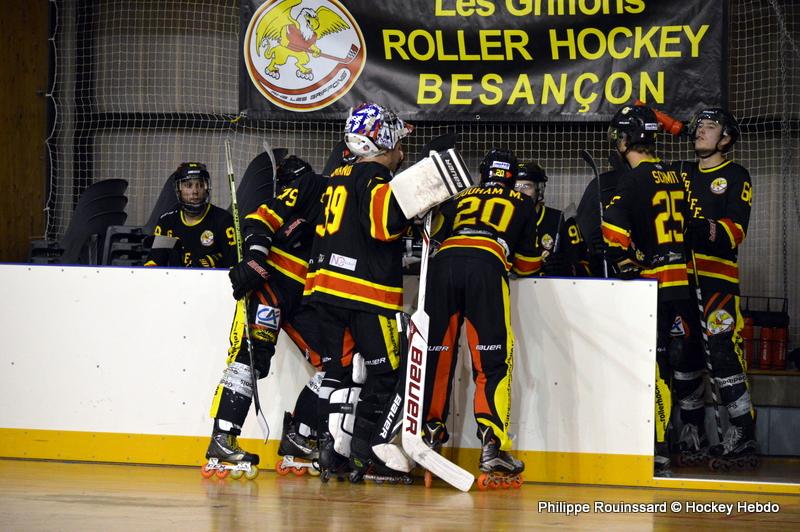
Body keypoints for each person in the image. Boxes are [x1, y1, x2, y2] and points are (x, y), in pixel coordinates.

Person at [303, 102, 416, 482]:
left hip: (324, 287)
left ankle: (331, 453)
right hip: (366, 294)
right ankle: (367, 454)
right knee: (386, 374)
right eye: (399, 142)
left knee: (339, 373)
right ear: (382, 141)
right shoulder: (374, 176)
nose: (402, 151)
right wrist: (417, 204)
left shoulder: (339, 173)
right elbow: (384, 227)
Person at [421, 148, 540, 487]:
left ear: (483, 173)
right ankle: (492, 446)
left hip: (442, 267)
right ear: (511, 176)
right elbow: (529, 264)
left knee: (436, 356)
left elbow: (433, 238)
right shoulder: (522, 202)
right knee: (491, 362)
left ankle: (430, 433)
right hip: (486, 266)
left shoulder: (459, 197)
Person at [204, 155, 328, 477]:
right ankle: (223, 437)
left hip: (306, 293)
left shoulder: (329, 195)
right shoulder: (305, 189)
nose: (288, 190)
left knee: (335, 363)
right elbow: (258, 219)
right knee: (250, 357)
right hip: (271, 285)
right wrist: (256, 260)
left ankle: (300, 436)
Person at [600, 104, 692, 477]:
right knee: (672, 366)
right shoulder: (674, 175)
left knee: (649, 368)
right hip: (681, 284)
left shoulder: (633, 180)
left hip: (651, 287)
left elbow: (614, 234)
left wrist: (626, 257)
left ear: (625, 140)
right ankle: (675, 442)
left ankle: (656, 448)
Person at [673, 108, 757, 469]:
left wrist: (707, 229)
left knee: (723, 353)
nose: (700, 132)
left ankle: (742, 432)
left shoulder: (736, 175)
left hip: (717, 281)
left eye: (710, 127)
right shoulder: (681, 173)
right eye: (698, 127)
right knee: (682, 354)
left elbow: (736, 231)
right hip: (680, 280)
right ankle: (693, 431)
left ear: (726, 138)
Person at [144, 162, 236, 268]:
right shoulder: (167, 221)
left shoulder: (223, 220)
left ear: (206, 188)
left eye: (200, 185)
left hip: (210, 283)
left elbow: (234, 262)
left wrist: (210, 262)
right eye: (188, 185)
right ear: (179, 189)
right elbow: (155, 260)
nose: (195, 191)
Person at [514, 161, 588, 277]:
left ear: (539, 189)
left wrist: (568, 268)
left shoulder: (562, 221)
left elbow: (587, 266)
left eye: (526, 186)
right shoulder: (501, 222)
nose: (519, 192)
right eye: (515, 186)